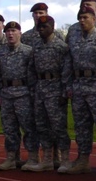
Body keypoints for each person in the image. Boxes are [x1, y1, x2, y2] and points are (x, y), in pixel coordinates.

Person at [60, 4, 96, 174]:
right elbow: (69, 62)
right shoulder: (74, 38)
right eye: (80, 18)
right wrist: (68, 85)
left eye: (86, 18)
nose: (82, 21)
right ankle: (83, 158)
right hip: (79, 85)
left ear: (94, 19)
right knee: (81, 125)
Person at [29, 16, 72, 172]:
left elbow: (66, 71)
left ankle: (64, 159)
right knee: (42, 126)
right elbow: (31, 70)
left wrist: (64, 92)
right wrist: (33, 90)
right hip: (40, 89)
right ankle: (47, 158)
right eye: (39, 27)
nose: (41, 29)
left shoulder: (61, 47)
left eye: (44, 26)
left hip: (55, 89)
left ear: (52, 27)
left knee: (59, 126)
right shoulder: (36, 46)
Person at [0, 21, 36, 170]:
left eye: (14, 31)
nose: (11, 34)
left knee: (28, 127)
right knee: (9, 128)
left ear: (20, 33)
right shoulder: (0, 51)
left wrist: (32, 94)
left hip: (23, 93)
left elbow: (33, 75)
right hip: (6, 94)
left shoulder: (28, 51)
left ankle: (32, 156)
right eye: (8, 31)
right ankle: (12, 157)